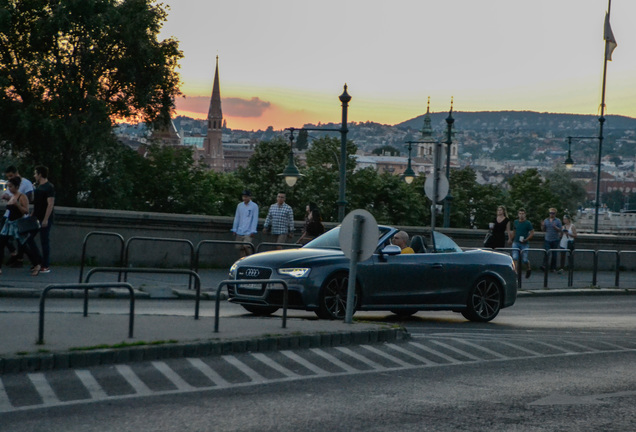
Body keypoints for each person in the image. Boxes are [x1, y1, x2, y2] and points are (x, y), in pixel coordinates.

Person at [0, 177, 42, 276]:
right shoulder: (12, 196)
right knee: (1, 244)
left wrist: (17, 204)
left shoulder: (22, 196)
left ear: (17, 187)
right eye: (8, 186)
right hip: (9, 223)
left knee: (23, 245)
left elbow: (26, 211)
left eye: (11, 186)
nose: (9, 189)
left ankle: (36, 264)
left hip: (17, 224)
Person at [2, 166, 34, 267]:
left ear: (16, 173)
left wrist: (14, 200)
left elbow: (29, 198)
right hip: (8, 214)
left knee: (21, 240)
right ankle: (15, 254)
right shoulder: (10, 184)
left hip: (18, 216)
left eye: (11, 176)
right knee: (5, 236)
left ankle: (23, 259)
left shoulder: (26, 183)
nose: (9, 178)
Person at [32, 166, 55, 273]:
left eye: (36, 173)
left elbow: (50, 204)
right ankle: (38, 261)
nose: (34, 175)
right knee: (29, 238)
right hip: (36, 217)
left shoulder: (49, 187)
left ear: (40, 174)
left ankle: (45, 265)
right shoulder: (38, 187)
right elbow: (37, 203)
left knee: (44, 241)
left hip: (44, 218)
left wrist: (46, 219)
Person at [231, 189, 259, 257]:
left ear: (250, 197)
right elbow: (237, 217)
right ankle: (242, 262)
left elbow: (255, 219)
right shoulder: (240, 205)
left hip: (248, 230)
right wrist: (234, 228)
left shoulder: (254, 206)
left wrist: (253, 230)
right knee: (240, 248)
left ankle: (251, 258)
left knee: (246, 246)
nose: (244, 198)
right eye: (243, 196)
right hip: (240, 230)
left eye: (246, 196)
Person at [510, 208, 534, 278]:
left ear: (525, 214)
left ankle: (528, 268)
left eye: (522, 214)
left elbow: (532, 232)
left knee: (525, 259)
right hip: (516, 242)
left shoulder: (527, 223)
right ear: (518, 214)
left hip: (524, 243)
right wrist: (511, 239)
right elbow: (514, 231)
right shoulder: (516, 222)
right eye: (520, 214)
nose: (521, 215)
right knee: (515, 257)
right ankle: (515, 272)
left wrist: (527, 239)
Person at [540, 207, 562, 273]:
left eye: (553, 213)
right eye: (550, 213)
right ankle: (544, 266)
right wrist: (542, 225)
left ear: (555, 214)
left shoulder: (558, 221)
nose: (551, 214)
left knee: (554, 254)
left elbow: (560, 230)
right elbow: (543, 230)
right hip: (547, 239)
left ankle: (553, 268)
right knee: (546, 253)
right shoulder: (546, 220)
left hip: (555, 239)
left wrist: (555, 227)